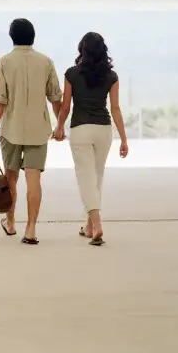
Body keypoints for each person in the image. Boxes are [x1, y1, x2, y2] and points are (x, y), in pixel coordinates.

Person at [0, 18, 63, 245]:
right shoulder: (46, 62)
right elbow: (55, 98)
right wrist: (59, 125)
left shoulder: (3, 63)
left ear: (12, 37)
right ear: (33, 36)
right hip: (38, 131)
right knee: (34, 181)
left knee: (11, 178)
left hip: (11, 129)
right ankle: (30, 229)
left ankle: (10, 222)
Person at [53, 32, 128, 246]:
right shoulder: (111, 76)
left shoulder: (72, 74)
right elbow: (115, 108)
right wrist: (123, 139)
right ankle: (88, 225)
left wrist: (59, 127)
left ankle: (97, 225)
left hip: (81, 129)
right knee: (96, 177)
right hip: (103, 130)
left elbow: (66, 106)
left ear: (82, 50)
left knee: (86, 178)